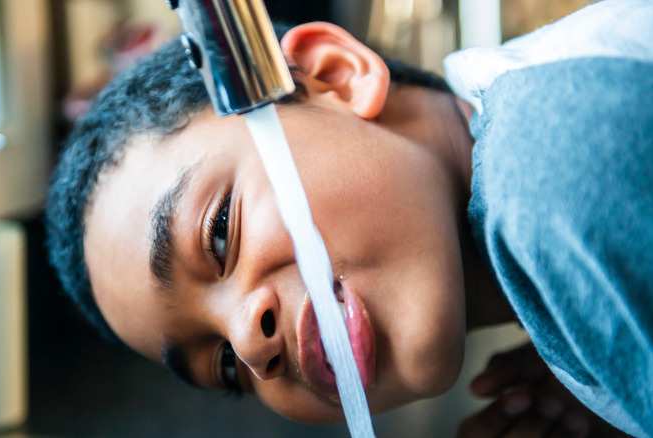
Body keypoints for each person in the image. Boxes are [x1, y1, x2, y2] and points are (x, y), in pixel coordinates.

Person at [45, 0, 652, 436]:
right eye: (226, 368)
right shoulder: (556, 203)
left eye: (220, 232)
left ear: (335, 77)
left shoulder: (550, 170)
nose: (251, 346)